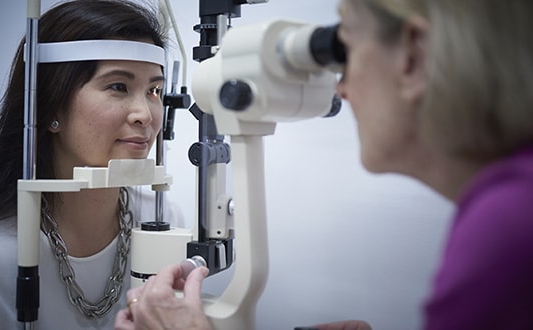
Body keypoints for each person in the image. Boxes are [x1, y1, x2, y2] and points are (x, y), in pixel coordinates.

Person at [115, 0, 533, 329]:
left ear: (414, 56)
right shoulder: (510, 205)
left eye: (345, 50)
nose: (342, 87)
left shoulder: (506, 229)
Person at [0, 0, 184, 329]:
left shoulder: (162, 221)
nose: (145, 115)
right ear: (50, 108)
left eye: (154, 90)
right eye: (118, 86)